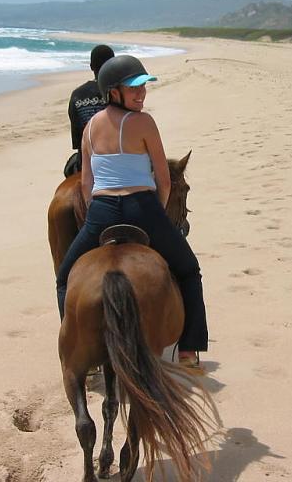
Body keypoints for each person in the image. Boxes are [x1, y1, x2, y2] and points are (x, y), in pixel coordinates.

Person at [55, 55, 208, 368]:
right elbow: (164, 180)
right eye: (134, 88)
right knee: (189, 270)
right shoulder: (144, 122)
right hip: (143, 208)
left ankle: (76, 344)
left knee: (64, 278)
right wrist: (158, 213)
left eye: (143, 88)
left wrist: (96, 210)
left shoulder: (89, 128)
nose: (141, 94)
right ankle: (190, 349)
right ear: (114, 92)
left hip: (102, 211)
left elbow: (87, 183)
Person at [64, 44, 115, 176]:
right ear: (113, 65)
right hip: (117, 160)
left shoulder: (77, 95)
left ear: (91, 66)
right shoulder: (120, 91)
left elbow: (77, 140)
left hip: (86, 163)